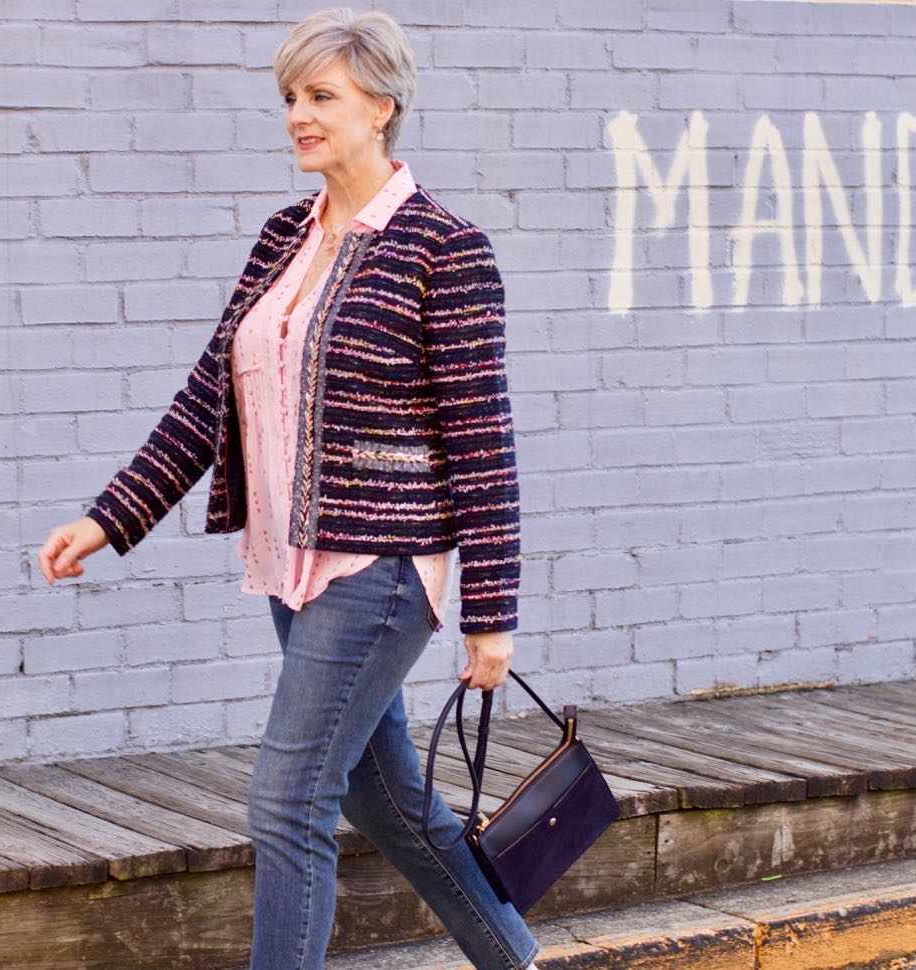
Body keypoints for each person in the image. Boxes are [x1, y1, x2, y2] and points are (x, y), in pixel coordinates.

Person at [36, 7, 540, 969]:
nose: (298, 116)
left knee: (289, 796)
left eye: (322, 96)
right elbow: (205, 399)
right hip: (289, 567)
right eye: (290, 99)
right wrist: (110, 518)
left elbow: (484, 442)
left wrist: (492, 614)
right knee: (386, 802)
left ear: (382, 105)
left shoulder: (446, 247)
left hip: (382, 570)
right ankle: (516, 957)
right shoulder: (282, 238)